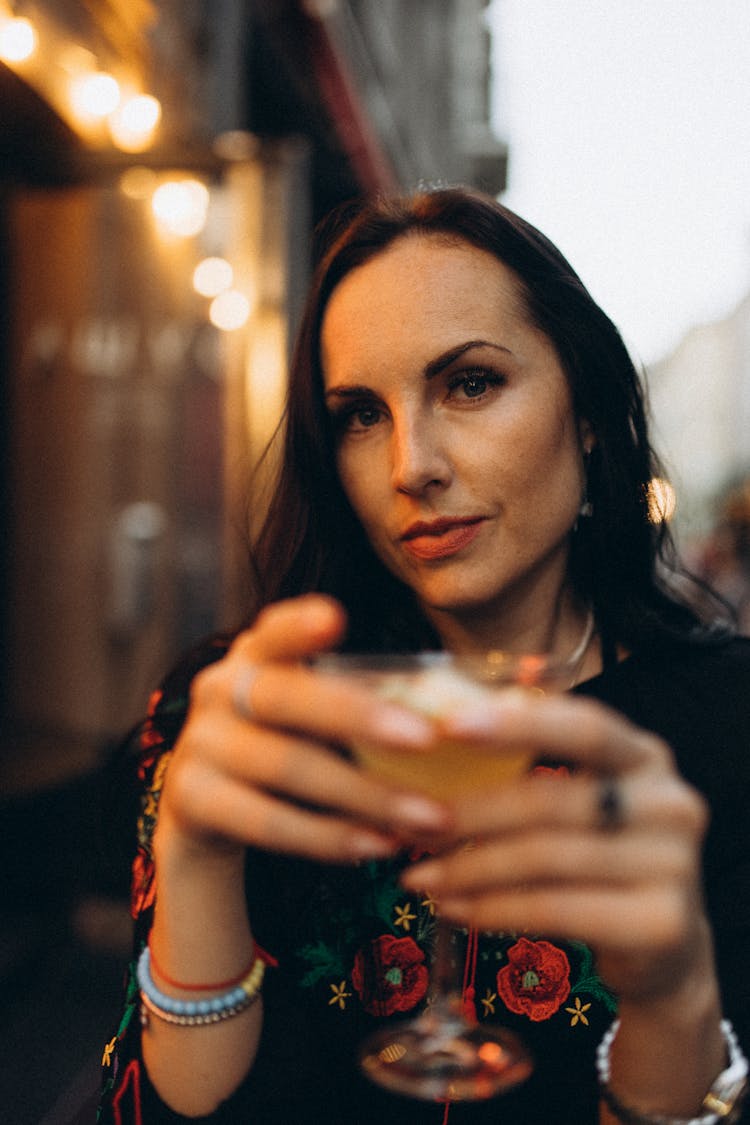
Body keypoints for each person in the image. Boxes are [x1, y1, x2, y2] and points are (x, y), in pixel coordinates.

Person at [98, 187, 750, 1124]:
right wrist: (197, 859)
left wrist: (675, 1001)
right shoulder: (242, 719)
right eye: (361, 413)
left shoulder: (730, 724)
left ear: (592, 412)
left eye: (471, 383)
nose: (411, 464)